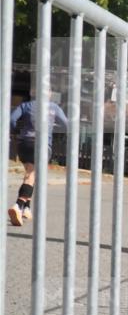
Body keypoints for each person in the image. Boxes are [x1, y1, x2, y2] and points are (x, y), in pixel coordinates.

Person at [8, 91, 70, 226]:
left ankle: (26, 208)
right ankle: (18, 205)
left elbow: (12, 119)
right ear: (49, 94)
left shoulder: (26, 105)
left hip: (24, 143)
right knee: (32, 174)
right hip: (41, 144)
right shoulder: (54, 107)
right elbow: (66, 124)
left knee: (29, 175)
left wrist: (15, 132)